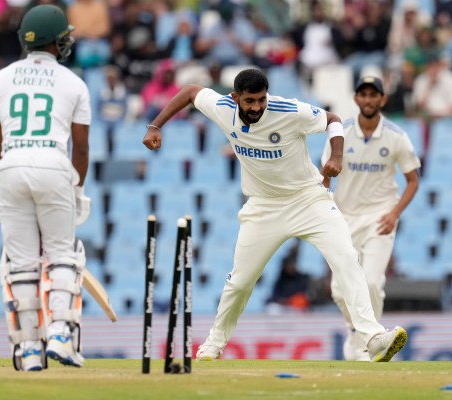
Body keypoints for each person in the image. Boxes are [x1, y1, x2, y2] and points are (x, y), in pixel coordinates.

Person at [142, 68, 407, 362]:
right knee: (240, 282)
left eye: (261, 100)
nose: (256, 107)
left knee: (346, 258)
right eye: (250, 101)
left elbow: (332, 120)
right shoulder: (222, 108)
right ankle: (213, 345)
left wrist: (336, 156)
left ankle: (372, 337)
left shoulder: (288, 110)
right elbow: (191, 90)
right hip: (263, 207)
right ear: (235, 98)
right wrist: (155, 125)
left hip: (309, 200)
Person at [0, 4, 91, 371]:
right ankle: (60, 333)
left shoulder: (2, 77)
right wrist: (76, 189)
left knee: (22, 264)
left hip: (10, 166)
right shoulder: (74, 82)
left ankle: (30, 348)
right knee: (63, 254)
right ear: (57, 41)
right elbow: (80, 148)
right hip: (53, 165)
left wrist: (14, 168)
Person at [321, 76, 421, 361]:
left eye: (373, 95)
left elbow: (413, 180)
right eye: (363, 95)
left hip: (380, 217)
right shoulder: (341, 133)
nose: (368, 100)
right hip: (344, 218)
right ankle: (358, 336)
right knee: (340, 290)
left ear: (382, 100)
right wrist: (325, 212)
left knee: (372, 282)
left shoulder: (396, 135)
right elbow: (325, 176)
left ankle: (372, 343)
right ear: (356, 99)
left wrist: (393, 213)